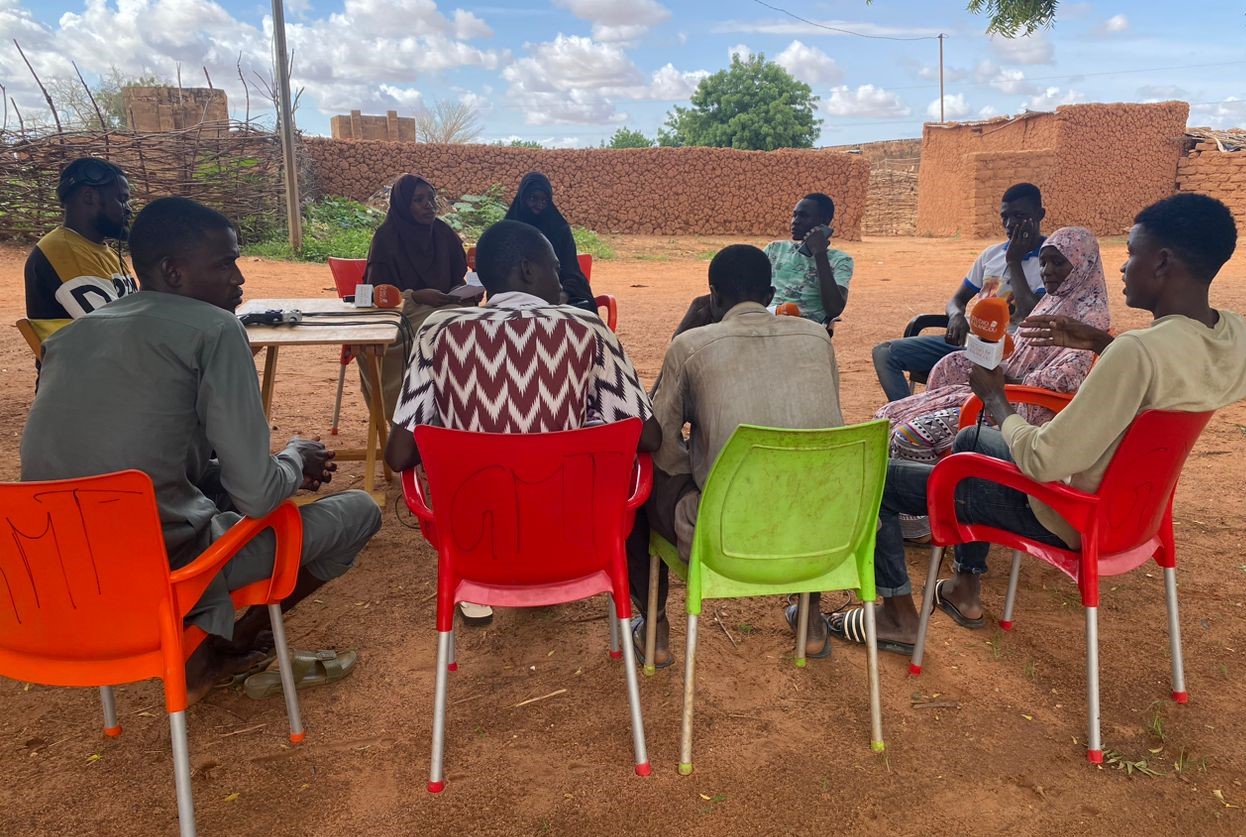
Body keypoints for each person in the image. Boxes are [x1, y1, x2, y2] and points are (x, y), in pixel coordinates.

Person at [820, 193, 1246, 656]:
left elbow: (1042, 460)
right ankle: (965, 587)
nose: (1122, 267)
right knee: (971, 438)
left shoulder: (1137, 353)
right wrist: (1103, 342)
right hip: (1138, 515)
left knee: (877, 479)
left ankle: (898, 618)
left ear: (1162, 263)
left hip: (1067, 512)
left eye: (1131, 254)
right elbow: (1169, 371)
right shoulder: (1232, 335)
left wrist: (997, 399)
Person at [20, 197, 382, 703]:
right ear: (173, 272)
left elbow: (135, 451)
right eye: (224, 263)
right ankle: (233, 638)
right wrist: (296, 459)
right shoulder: (216, 328)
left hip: (57, 567)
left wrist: (275, 467)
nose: (239, 278)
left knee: (217, 481)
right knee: (360, 510)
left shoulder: (72, 336)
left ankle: (197, 645)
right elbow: (256, 496)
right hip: (159, 567)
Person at [386, 219, 659, 626]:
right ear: (528, 271)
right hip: (575, 533)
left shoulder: (437, 332)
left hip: (472, 538)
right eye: (555, 268)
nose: (563, 281)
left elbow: (399, 453)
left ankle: (479, 591)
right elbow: (648, 435)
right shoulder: (587, 329)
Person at [625, 244, 845, 669]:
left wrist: (700, 472)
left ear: (714, 297)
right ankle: (811, 622)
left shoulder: (690, 346)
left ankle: (654, 630)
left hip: (728, 533)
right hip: (824, 527)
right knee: (804, 469)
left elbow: (658, 440)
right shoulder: (818, 337)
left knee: (640, 480)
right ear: (770, 295)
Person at [876, 227, 1110, 541]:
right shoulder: (1051, 302)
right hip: (999, 392)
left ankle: (919, 523)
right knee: (886, 416)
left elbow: (1063, 382)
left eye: (1058, 263)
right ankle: (915, 504)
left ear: (1083, 265)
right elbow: (1018, 348)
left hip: (1021, 412)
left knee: (909, 436)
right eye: (1044, 263)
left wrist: (1003, 383)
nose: (1047, 271)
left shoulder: (1091, 318)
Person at [872, 182, 1048, 403]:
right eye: (1005, 216)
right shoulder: (991, 255)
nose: (1011, 224)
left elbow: (1032, 314)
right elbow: (957, 299)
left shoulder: (1050, 260)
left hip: (1010, 351)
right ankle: (908, 410)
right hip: (972, 342)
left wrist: (1014, 260)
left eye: (1020, 216)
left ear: (1039, 215)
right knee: (886, 354)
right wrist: (956, 315)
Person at [361, 173, 478, 420]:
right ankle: (411, 417)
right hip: (401, 316)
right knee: (432, 335)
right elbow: (378, 295)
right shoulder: (386, 239)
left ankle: (459, 413)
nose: (429, 205)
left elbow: (457, 279)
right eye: (419, 199)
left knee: (475, 330)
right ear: (403, 204)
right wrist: (415, 296)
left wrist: (465, 295)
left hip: (447, 311)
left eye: (432, 198)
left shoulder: (443, 234)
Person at [24, 157, 139, 344]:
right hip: (77, 371)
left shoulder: (105, 252)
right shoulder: (62, 251)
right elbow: (115, 334)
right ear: (89, 196)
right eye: (122, 200)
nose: (128, 210)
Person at [503, 172, 595, 310]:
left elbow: (571, 271)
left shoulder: (559, 229)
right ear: (522, 197)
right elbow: (502, 271)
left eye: (544, 200)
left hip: (556, 294)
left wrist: (563, 295)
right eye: (533, 198)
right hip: (517, 296)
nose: (538, 205)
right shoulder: (508, 229)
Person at [765, 193, 854, 328]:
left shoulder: (840, 260)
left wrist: (820, 254)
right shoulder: (774, 249)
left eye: (804, 216)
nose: (795, 221)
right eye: (794, 215)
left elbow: (834, 308)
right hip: (767, 322)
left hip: (805, 331)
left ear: (825, 221)